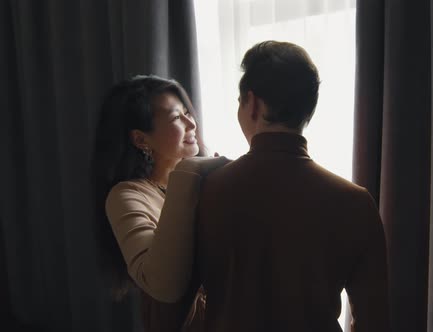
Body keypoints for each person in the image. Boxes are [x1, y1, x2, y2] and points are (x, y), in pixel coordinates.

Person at [161, 41, 391, 331]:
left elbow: (172, 306)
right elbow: (375, 321)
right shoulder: (355, 202)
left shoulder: (206, 191)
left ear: (253, 103)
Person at [92, 75, 229, 331]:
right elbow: (161, 283)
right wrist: (191, 171)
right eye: (177, 117)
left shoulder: (211, 180)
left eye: (188, 113)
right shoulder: (126, 196)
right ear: (141, 139)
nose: (191, 123)